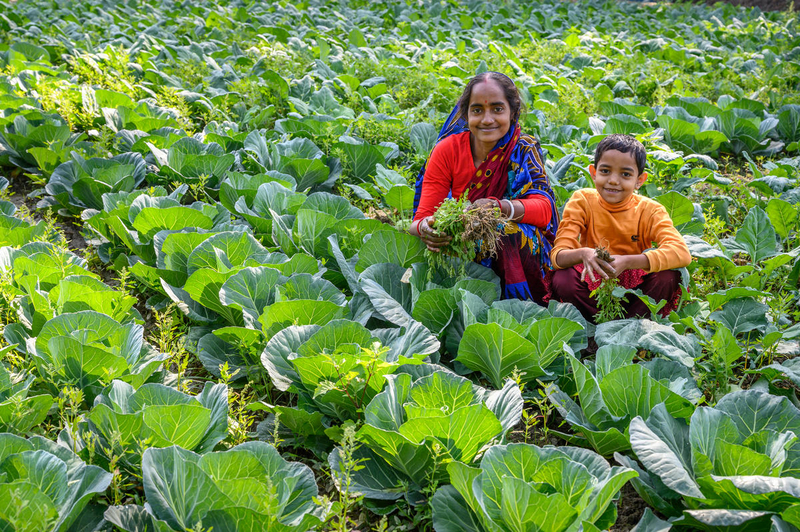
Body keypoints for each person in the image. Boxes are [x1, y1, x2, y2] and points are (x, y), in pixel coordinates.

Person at [408, 71, 558, 303]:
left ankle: (523, 304)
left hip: (518, 253)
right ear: (466, 116)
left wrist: (498, 208)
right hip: (463, 248)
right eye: (477, 110)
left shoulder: (523, 149)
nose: (487, 119)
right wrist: (427, 229)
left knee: (507, 233)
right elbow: (421, 218)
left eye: (497, 109)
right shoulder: (447, 150)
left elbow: (544, 208)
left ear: (513, 113)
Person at [550, 134, 691, 322]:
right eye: (605, 171)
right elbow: (557, 256)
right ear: (593, 173)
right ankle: (593, 329)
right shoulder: (582, 200)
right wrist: (584, 253)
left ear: (639, 180)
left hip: (636, 287)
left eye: (625, 174)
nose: (613, 181)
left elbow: (681, 253)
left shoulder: (650, 210)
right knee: (563, 278)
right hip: (593, 281)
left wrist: (628, 262)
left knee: (667, 277)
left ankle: (632, 326)